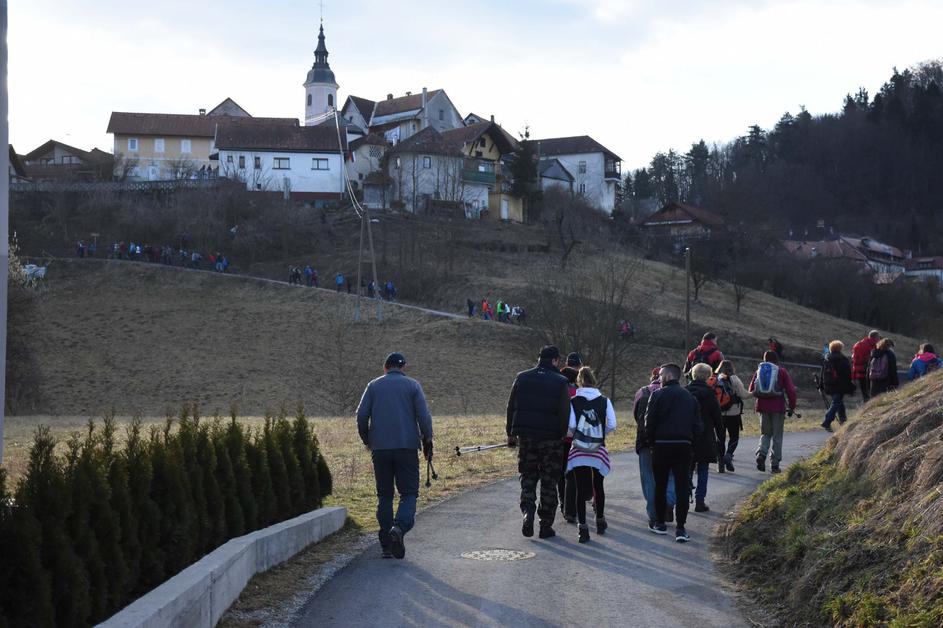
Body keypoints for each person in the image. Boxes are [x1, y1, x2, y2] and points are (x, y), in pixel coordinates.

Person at [356, 352, 433, 560]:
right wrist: (428, 440)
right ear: (403, 367)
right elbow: (424, 417)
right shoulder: (413, 386)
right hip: (407, 448)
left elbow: (361, 415)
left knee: (384, 495)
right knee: (409, 493)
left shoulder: (373, 386)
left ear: (385, 367)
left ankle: (386, 545)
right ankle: (399, 528)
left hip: (380, 449)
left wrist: (367, 439)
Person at [506, 345, 571, 539]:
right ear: (555, 360)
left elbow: (511, 406)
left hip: (527, 438)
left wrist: (511, 433)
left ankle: (528, 512)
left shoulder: (522, 377)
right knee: (549, 482)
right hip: (551, 440)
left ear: (539, 358)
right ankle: (545, 525)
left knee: (528, 477)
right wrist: (562, 435)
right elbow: (564, 413)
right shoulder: (561, 381)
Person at [644, 363, 701, 543]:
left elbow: (649, 423)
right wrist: (691, 444)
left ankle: (660, 523)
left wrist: (652, 443)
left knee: (660, 485)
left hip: (661, 445)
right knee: (682, 486)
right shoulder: (690, 398)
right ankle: (681, 528)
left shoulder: (657, 395)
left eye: (661, 375)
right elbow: (698, 426)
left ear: (668, 376)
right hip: (683, 445)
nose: (659, 378)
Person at [565, 367, 617, 543]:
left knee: (580, 489)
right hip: (598, 448)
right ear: (593, 380)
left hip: (579, 448)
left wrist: (580, 434)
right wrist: (600, 434)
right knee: (598, 485)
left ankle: (583, 528)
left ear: (579, 381)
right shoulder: (604, 401)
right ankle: (600, 520)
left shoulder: (573, 401)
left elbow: (571, 425)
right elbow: (613, 423)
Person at [633, 366, 676, 530]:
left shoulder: (642, 392)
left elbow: (636, 416)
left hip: (645, 442)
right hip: (667, 441)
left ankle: (654, 514)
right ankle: (668, 501)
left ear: (652, 377)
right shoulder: (673, 393)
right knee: (670, 475)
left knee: (649, 479)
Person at [749, 351, 797, 473]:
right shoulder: (781, 371)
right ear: (776, 359)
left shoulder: (759, 371)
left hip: (762, 407)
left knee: (765, 433)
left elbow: (751, 389)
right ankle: (774, 465)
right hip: (778, 408)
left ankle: (761, 454)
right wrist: (792, 407)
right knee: (777, 436)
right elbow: (791, 391)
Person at [686, 363, 722, 513]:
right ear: (708, 377)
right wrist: (720, 438)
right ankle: (700, 501)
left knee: (686, 469)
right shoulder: (710, 395)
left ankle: (684, 498)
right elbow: (718, 419)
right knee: (703, 469)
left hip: (687, 436)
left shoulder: (685, 392)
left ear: (693, 375)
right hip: (705, 436)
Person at [712, 360, 751, 472]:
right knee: (734, 437)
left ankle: (720, 464)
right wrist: (755, 393)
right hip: (734, 414)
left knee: (720, 438)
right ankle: (728, 455)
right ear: (732, 368)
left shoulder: (715, 379)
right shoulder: (735, 379)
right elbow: (744, 395)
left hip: (719, 413)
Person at [558, 366, 579, 524]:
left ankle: (563, 502)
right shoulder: (578, 393)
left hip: (560, 438)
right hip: (575, 439)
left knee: (560, 473)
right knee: (572, 474)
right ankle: (572, 507)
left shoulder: (560, 391)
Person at [820, 340, 854, 432]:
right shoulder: (842, 359)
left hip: (828, 385)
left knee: (838, 402)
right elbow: (847, 374)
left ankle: (843, 421)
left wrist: (821, 384)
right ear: (840, 348)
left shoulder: (827, 359)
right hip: (839, 385)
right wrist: (850, 385)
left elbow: (822, 373)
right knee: (836, 403)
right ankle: (826, 422)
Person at [851, 330, 881, 402]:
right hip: (868, 371)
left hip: (859, 371)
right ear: (875, 337)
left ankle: (865, 404)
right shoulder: (874, 345)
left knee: (864, 392)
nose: (879, 339)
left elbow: (854, 359)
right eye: (878, 337)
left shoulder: (859, 344)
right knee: (871, 392)